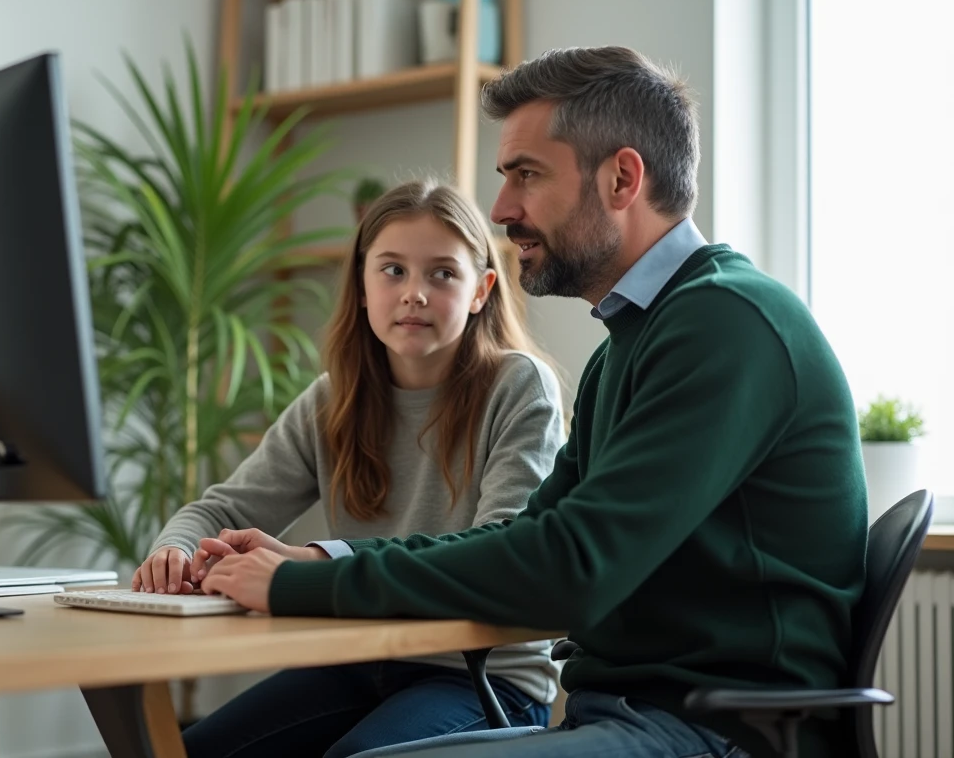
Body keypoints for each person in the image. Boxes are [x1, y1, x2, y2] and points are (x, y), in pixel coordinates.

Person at [198, 46, 868, 758]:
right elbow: (527, 541)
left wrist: (310, 584)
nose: (500, 209)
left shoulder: (726, 323)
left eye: (527, 175)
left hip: (717, 731)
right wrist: (316, 560)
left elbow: (569, 572)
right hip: (624, 715)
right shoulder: (629, 345)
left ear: (622, 178)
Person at [133, 179, 566, 758]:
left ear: (482, 290)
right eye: (392, 270)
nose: (414, 293)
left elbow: (503, 547)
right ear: (362, 285)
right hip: (361, 664)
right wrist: (176, 551)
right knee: (192, 750)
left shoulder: (517, 386)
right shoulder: (330, 400)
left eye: (442, 274)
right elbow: (223, 509)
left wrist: (317, 563)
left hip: (482, 675)